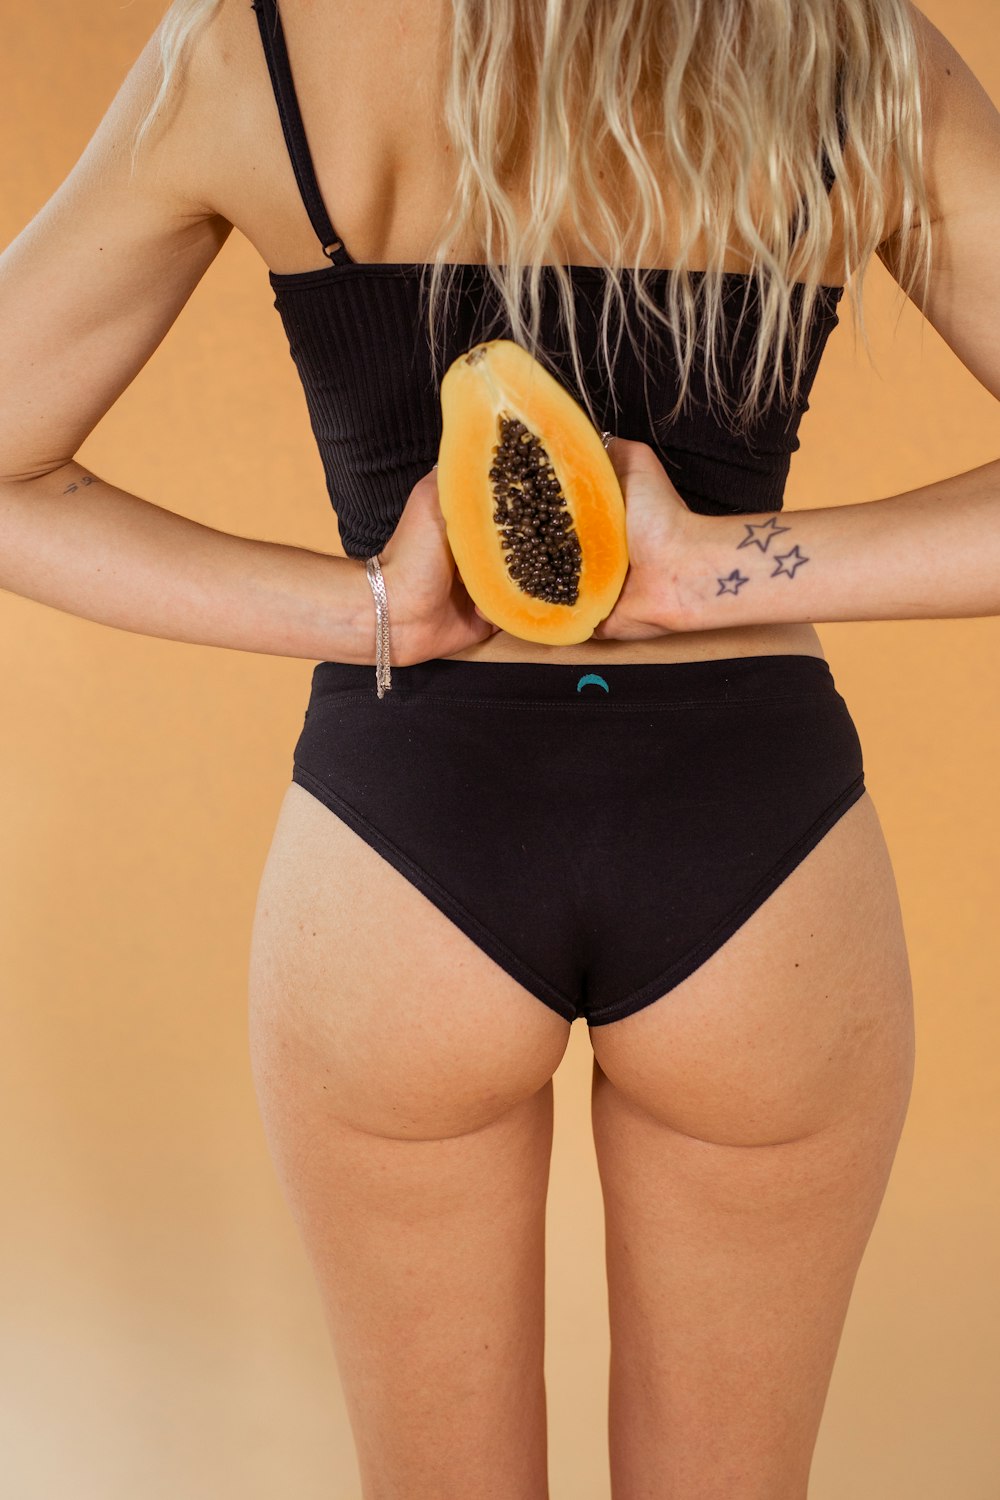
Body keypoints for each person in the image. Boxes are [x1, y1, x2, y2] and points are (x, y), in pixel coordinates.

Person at [1, 0, 997, 1495]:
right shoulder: (848, 47)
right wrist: (711, 571)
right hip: (758, 849)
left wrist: (371, 611)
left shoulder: (258, 43)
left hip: (399, 850)